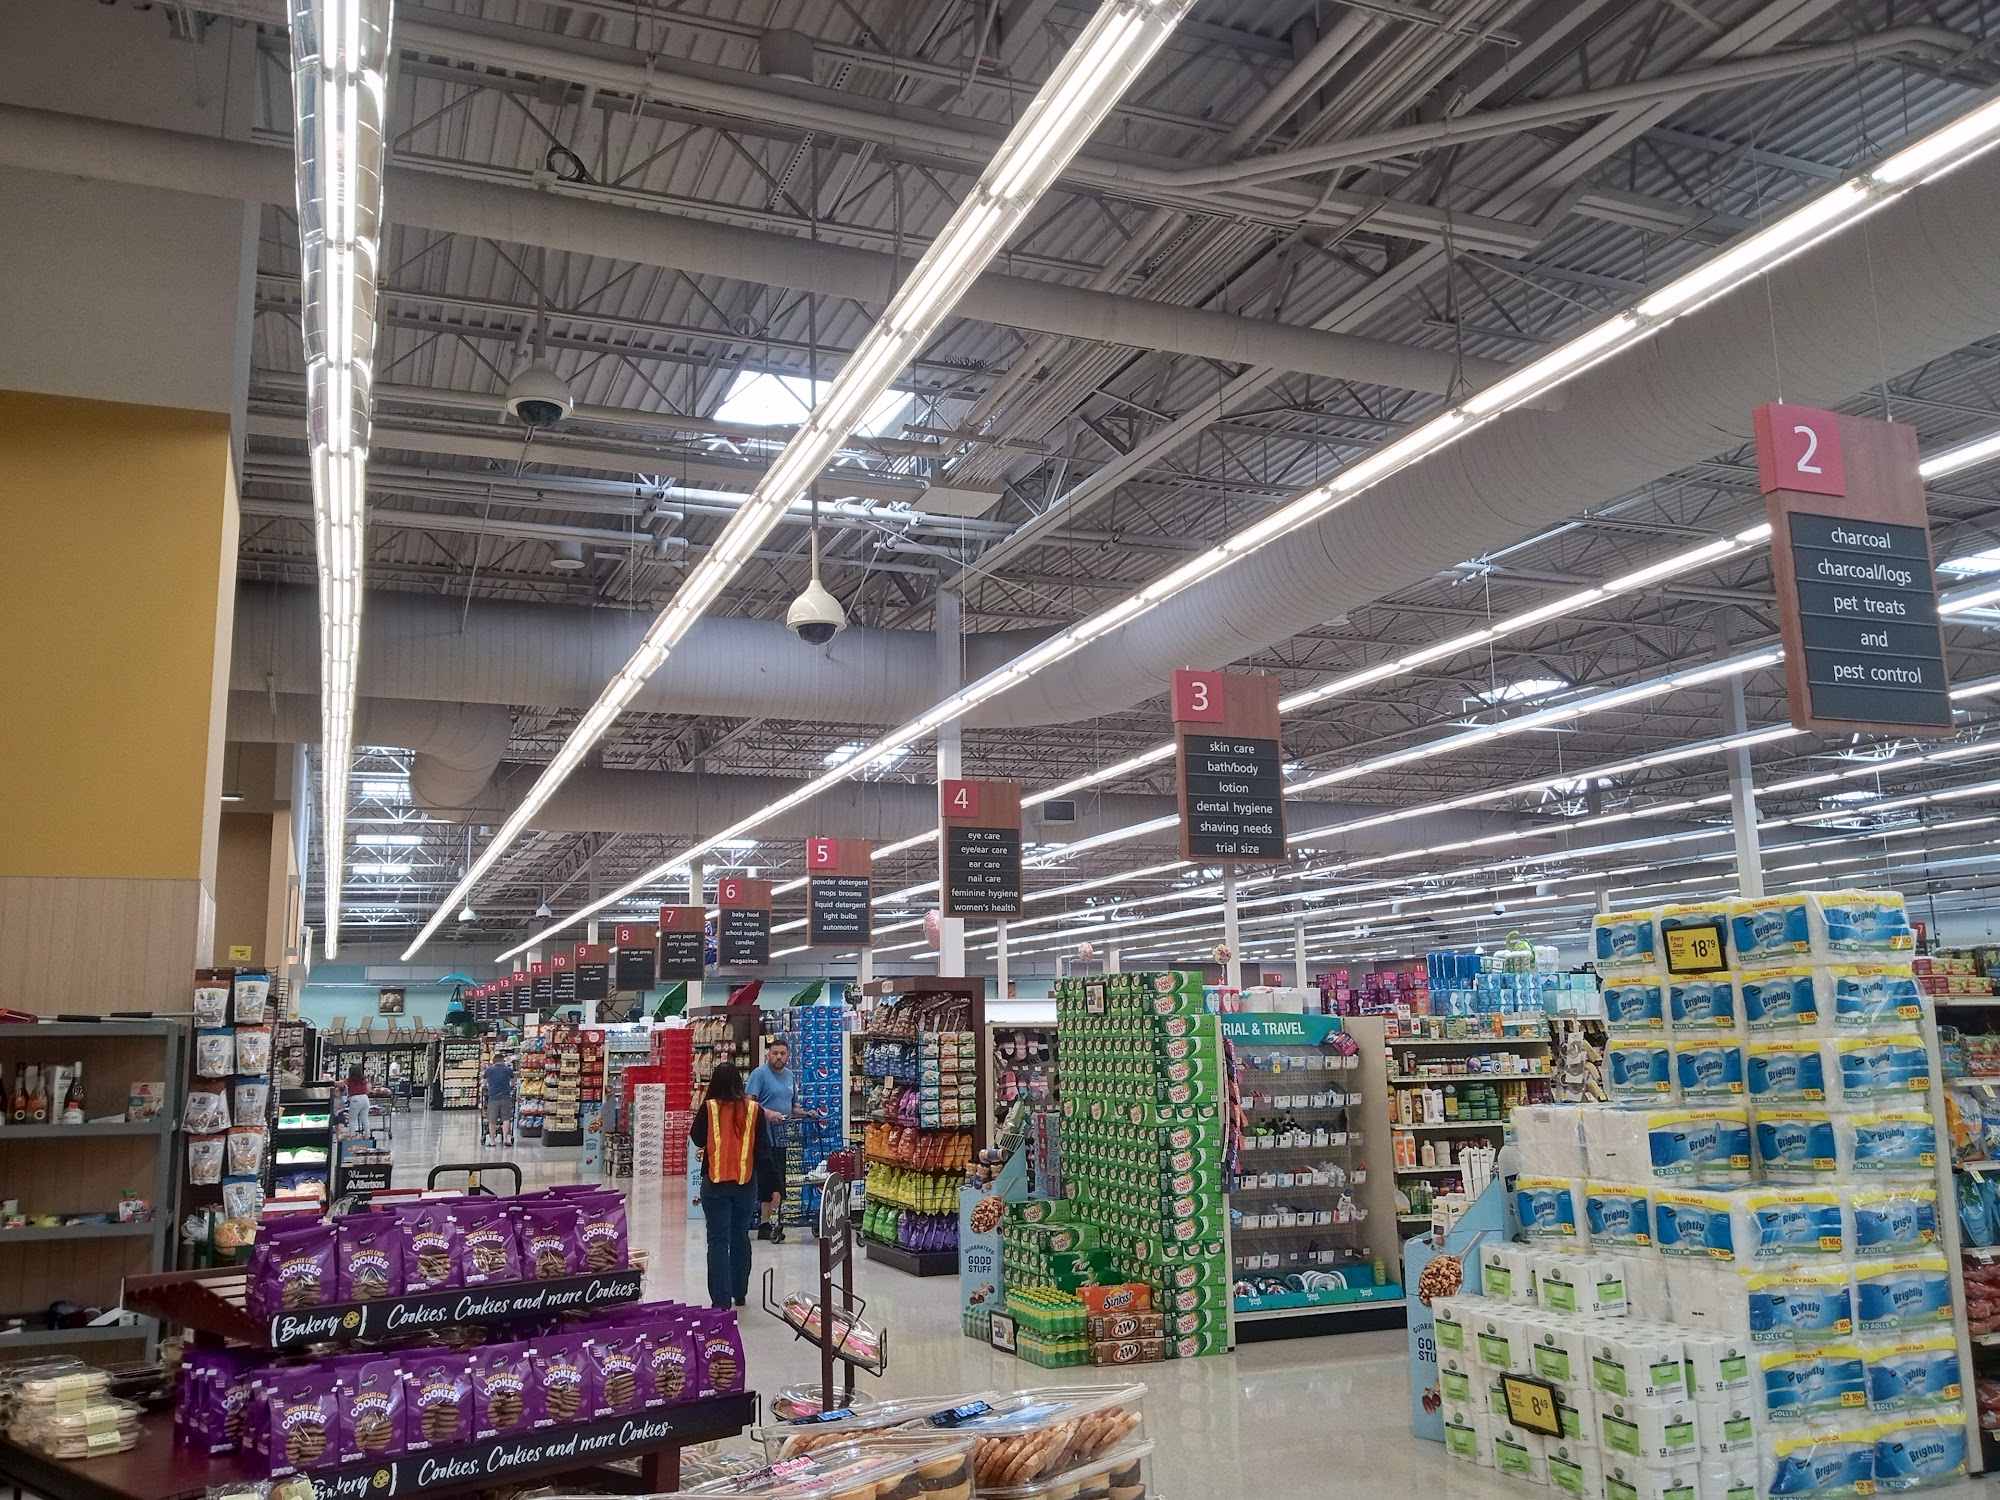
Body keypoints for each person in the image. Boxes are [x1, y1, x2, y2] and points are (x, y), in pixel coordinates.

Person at [688, 1063, 775, 1309]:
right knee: (740, 1237)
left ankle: (720, 1301)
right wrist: (772, 1187)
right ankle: (740, 1291)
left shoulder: (709, 1108)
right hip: (745, 1184)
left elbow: (696, 1138)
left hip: (714, 1185)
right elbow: (764, 1151)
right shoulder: (754, 1110)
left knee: (717, 1241)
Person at [745, 1038, 821, 1243]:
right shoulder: (759, 1074)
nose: (778, 1057)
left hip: (781, 1137)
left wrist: (806, 1112)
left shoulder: (789, 1076)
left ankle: (772, 1221)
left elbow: (792, 1106)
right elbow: (748, 1103)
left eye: (782, 1053)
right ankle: (763, 1224)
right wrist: (767, 1112)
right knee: (765, 1180)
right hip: (761, 1137)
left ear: (788, 1056)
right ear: (768, 1055)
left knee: (778, 1179)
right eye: (775, 1053)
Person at [482, 1055, 516, 1148]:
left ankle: (492, 1141)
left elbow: (484, 1083)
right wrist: (511, 1086)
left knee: (492, 1120)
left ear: (494, 1061)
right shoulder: (507, 1069)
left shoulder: (488, 1070)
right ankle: (505, 1139)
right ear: (502, 1061)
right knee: (506, 1119)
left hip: (493, 1098)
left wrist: (486, 1087)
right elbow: (513, 1080)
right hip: (505, 1097)